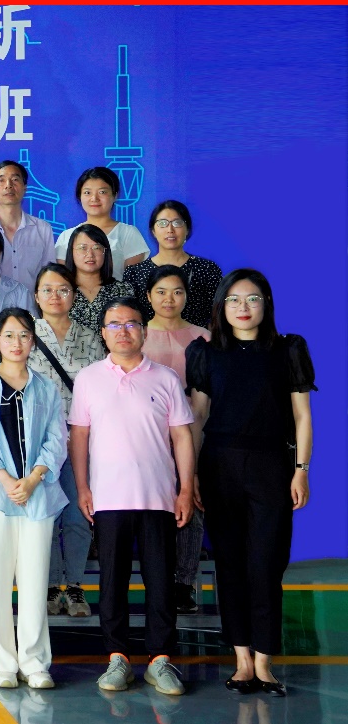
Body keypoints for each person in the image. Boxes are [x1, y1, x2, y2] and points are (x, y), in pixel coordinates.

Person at [187, 270, 315, 697]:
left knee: (266, 563)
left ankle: (264, 661)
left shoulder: (288, 350)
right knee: (229, 565)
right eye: (234, 299)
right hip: (219, 467)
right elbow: (198, 416)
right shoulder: (206, 353)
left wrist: (301, 469)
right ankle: (242, 661)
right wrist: (192, 474)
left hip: (272, 467)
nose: (243, 307)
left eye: (253, 298)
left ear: (267, 304)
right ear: (221, 306)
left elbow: (302, 416)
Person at [70, 298, 196, 696]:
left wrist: (185, 489)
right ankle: (117, 658)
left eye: (131, 323)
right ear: (103, 333)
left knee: (161, 581)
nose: (123, 331)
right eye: (114, 324)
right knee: (112, 581)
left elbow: (182, 436)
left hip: (158, 498)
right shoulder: (88, 378)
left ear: (143, 330)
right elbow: (79, 436)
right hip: (108, 499)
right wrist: (83, 487)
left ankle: (160, 660)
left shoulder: (165, 378)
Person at [0, 308, 68, 690]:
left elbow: (57, 439)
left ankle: (35, 662)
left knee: (34, 581)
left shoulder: (46, 387)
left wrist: (34, 479)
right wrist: (9, 481)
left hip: (37, 496)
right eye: (9, 335)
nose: (17, 342)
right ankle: (4, 664)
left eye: (25, 335)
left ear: (33, 341)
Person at [27, 264, 105, 619]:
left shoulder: (90, 337)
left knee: (77, 514)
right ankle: (47, 587)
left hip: (80, 442)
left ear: (74, 295)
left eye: (63, 289)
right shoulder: (25, 335)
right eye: (47, 289)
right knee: (46, 516)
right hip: (39, 443)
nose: (55, 296)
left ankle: (73, 586)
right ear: (36, 295)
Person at [141, 265, 211, 615]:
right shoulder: (136, 334)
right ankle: (154, 581)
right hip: (144, 436)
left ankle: (183, 583)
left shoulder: (204, 338)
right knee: (150, 509)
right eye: (161, 292)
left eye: (177, 292)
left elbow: (204, 401)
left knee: (190, 500)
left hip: (194, 432)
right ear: (149, 296)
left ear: (187, 296)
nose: (169, 299)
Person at [123, 200, 223, 328]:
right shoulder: (135, 273)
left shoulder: (207, 269)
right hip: (149, 339)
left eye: (177, 223)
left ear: (187, 229)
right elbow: (129, 317)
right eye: (162, 223)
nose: (170, 230)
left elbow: (218, 316)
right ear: (153, 230)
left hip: (198, 339)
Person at [0, 160, 57, 292]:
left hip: (30, 304)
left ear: (25, 187)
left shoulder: (43, 229)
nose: (8, 185)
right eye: (1, 180)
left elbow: (49, 275)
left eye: (15, 179)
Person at [54, 167, 149, 281]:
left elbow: (133, 282)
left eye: (102, 192)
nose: (94, 198)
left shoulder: (128, 233)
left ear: (115, 195)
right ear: (80, 196)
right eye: (87, 192)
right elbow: (63, 280)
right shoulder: (67, 236)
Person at [63, 224, 133, 336]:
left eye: (97, 248)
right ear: (71, 252)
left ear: (105, 252)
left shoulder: (122, 290)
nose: (90, 254)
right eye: (82, 248)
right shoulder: (62, 291)